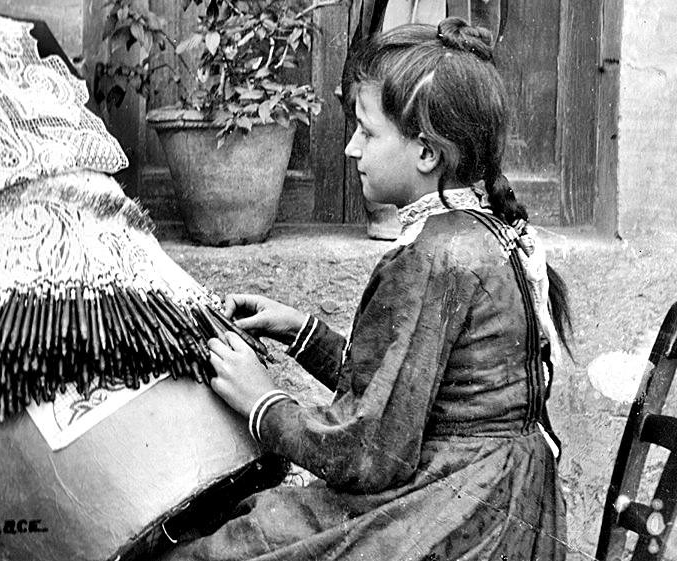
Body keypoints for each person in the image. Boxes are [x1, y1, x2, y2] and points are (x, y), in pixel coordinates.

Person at [159, 17, 573, 561]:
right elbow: (406, 391)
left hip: (460, 513)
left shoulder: (433, 259)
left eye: (367, 131)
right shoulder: (483, 231)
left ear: (427, 153)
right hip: (500, 493)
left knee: (219, 549)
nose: (352, 148)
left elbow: (368, 452)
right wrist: (300, 331)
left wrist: (261, 399)